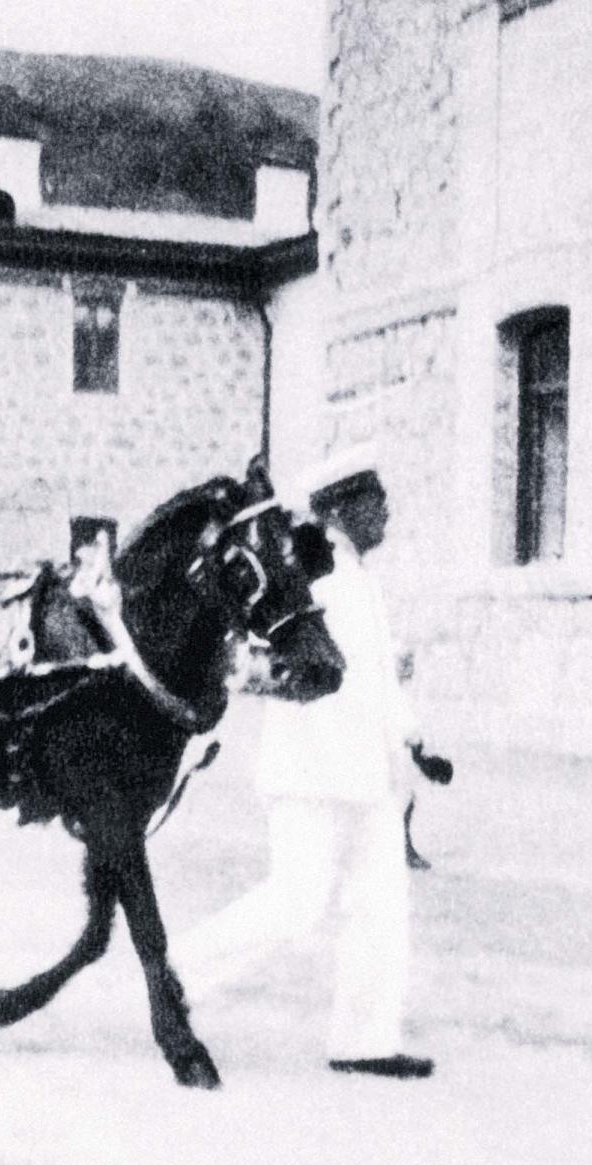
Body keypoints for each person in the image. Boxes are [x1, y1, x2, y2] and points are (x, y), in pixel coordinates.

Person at [172, 452, 453, 1080]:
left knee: (381, 908)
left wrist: (413, 738)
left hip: (369, 778)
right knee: (296, 902)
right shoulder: (307, 574)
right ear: (341, 510)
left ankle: (365, 1041)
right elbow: (250, 663)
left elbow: (378, 679)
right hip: (309, 774)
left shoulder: (362, 582)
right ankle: (177, 976)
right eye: (375, 501)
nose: (387, 512)